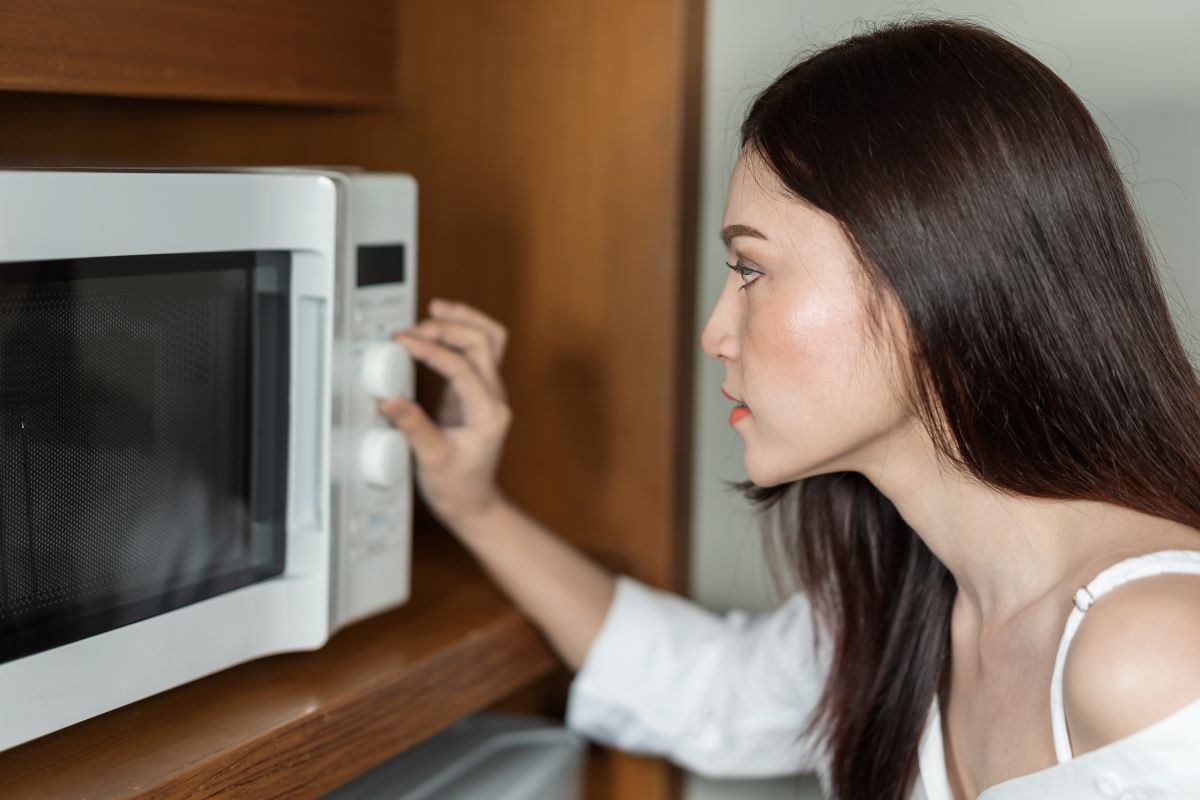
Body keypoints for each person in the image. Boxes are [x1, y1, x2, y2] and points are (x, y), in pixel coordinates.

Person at [377, 16, 1200, 800]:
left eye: (750, 270)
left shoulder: (1153, 653)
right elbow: (709, 693)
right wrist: (472, 504)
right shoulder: (912, 594)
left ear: (928, 274)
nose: (714, 333)